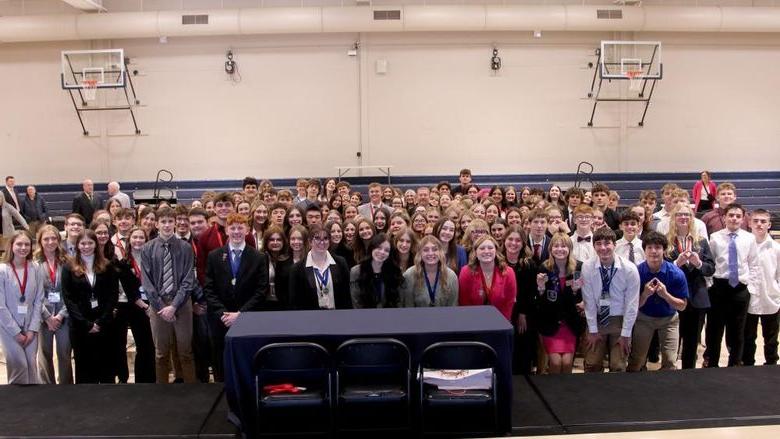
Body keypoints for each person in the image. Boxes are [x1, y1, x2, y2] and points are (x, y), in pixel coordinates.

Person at [204, 213, 268, 381]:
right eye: (233, 228)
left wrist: (240, 314)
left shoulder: (259, 257)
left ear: (247, 230)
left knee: (246, 360)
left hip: (248, 319)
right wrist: (223, 314)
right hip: (221, 319)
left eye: (240, 227)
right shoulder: (214, 256)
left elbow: (261, 291)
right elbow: (209, 289)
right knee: (221, 361)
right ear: (226, 230)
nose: (237, 231)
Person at [141, 206, 198, 383]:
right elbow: (147, 282)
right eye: (163, 222)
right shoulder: (148, 248)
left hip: (181, 303)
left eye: (170, 222)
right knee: (161, 353)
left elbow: (189, 280)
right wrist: (162, 307)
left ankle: (190, 390)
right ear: (156, 224)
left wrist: (174, 306)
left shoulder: (186, 248)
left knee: (185, 351)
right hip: (158, 306)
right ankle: (162, 392)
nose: (167, 225)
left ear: (175, 223)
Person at [705, 203, 760, 368]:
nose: (734, 219)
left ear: (743, 219)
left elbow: (754, 265)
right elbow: (710, 263)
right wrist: (710, 286)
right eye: (731, 215)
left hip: (740, 289)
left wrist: (750, 289)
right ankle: (712, 364)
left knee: (737, 331)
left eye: (738, 216)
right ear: (724, 217)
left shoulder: (749, 238)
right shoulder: (715, 237)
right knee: (714, 330)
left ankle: (735, 364)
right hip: (719, 288)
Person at [61, 229, 118, 383]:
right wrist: (86, 324)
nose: (86, 246)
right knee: (84, 367)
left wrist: (100, 322)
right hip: (80, 326)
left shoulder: (107, 266)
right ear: (77, 245)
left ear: (96, 244)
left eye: (90, 243)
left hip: (103, 324)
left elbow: (112, 296)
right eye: (83, 243)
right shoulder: (69, 267)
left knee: (105, 368)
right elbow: (68, 299)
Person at [627, 231, 688, 372]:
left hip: (669, 319)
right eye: (649, 248)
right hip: (643, 318)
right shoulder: (636, 273)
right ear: (644, 250)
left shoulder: (676, 274)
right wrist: (645, 295)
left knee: (671, 362)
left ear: (664, 250)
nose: (653, 251)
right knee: (636, 361)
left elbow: (683, 306)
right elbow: (633, 307)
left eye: (658, 247)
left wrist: (665, 295)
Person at [581, 228, 640, 373]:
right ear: (594, 246)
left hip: (619, 320)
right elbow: (588, 301)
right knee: (592, 364)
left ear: (615, 245)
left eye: (607, 243)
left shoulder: (630, 269)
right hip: (597, 317)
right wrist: (593, 330)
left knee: (618, 366)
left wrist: (626, 334)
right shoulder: (587, 267)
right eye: (598, 244)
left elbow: (632, 304)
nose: (603, 248)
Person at [666, 203, 715, 369]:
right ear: (673, 218)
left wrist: (699, 263)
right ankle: (669, 368)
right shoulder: (666, 241)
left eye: (687, 214)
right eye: (679, 214)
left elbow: (710, 269)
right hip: (673, 296)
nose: (683, 217)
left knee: (692, 339)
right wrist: (675, 264)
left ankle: (689, 372)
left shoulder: (701, 241)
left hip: (696, 295)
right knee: (672, 339)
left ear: (692, 218)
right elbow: (660, 270)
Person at [534, 233, 584, 374]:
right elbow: (539, 302)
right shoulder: (544, 269)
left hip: (570, 323)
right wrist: (541, 288)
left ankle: (565, 394)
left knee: (567, 364)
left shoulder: (578, 268)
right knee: (556, 364)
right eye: (556, 246)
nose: (560, 249)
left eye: (564, 246)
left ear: (570, 249)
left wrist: (575, 292)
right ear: (550, 249)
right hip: (550, 323)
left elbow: (580, 300)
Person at [112, 226, 156, 383]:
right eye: (135, 237)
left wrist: (151, 305)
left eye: (141, 237)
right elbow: (128, 289)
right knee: (121, 344)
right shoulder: (123, 262)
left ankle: (146, 380)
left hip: (149, 305)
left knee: (147, 346)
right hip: (131, 306)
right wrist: (144, 306)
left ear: (146, 240)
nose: (138, 240)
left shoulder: (151, 259)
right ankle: (123, 378)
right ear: (129, 240)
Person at [0, 230, 44, 384]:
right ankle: (16, 406)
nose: (23, 247)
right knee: (19, 366)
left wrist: (32, 329)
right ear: (11, 246)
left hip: (31, 327)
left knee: (32, 366)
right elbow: (1, 306)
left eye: (27, 244)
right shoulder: (2, 270)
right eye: (19, 244)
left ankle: (34, 405)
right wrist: (16, 332)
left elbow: (39, 299)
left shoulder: (35, 267)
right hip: (9, 329)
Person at [35, 225, 73, 384]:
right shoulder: (34, 263)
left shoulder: (68, 261)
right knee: (45, 353)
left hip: (63, 314)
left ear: (59, 240)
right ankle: (46, 386)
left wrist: (60, 315)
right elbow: (34, 294)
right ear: (40, 241)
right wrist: (48, 317)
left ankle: (66, 386)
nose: (50, 242)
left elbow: (71, 292)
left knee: (64, 352)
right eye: (46, 239)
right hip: (43, 315)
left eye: (54, 238)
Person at [743, 209, 780, 366]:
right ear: (750, 223)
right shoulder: (743, 245)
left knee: (771, 339)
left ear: (769, 225)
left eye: (763, 221)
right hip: (749, 299)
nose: (759, 224)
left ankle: (772, 366)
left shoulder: (776, 248)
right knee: (748, 338)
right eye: (756, 221)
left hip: (770, 299)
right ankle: (747, 365)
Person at [288, 224, 352, 310]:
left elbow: (346, 295)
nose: (322, 242)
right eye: (317, 238)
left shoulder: (340, 263)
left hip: (337, 316)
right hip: (311, 319)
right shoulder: (297, 269)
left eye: (325, 238)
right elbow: (295, 302)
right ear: (310, 241)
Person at [503, 226, 538, 374]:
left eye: (518, 240)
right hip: (503, 311)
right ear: (504, 241)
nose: (513, 243)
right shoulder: (498, 262)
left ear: (523, 243)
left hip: (523, 312)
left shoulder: (529, 264)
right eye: (510, 239)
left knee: (522, 350)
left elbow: (531, 292)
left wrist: (523, 313)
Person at [458, 235, 516, 321]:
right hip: (473, 321)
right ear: (475, 253)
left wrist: (501, 323)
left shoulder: (508, 272)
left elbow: (509, 302)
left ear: (496, 251)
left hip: (501, 321)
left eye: (490, 248)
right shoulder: (466, 272)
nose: (486, 251)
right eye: (482, 248)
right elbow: (464, 302)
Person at [400, 236, 458, 307]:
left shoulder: (451, 276)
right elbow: (408, 306)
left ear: (440, 252)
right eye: (426, 250)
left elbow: (453, 306)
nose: (430, 253)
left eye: (434, 249)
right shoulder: (409, 275)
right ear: (420, 253)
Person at [350, 233, 402, 308]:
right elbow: (356, 302)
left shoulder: (394, 271)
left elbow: (397, 301)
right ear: (372, 248)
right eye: (379, 248)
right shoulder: (356, 271)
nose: (382, 252)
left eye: (386, 250)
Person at [262, 226, 293, 310]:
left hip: (285, 304)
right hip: (264, 304)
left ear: (284, 242)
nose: (275, 242)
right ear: (266, 242)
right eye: (271, 240)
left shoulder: (289, 259)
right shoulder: (260, 259)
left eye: (279, 240)